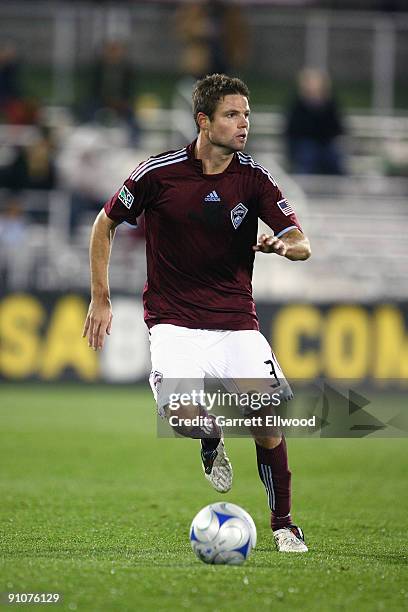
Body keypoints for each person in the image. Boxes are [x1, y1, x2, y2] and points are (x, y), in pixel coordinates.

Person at [83, 74, 311, 553]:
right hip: (174, 322)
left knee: (268, 422)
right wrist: (100, 297)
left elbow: (301, 241)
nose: (243, 123)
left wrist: (284, 247)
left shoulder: (254, 177)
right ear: (203, 121)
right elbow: (105, 224)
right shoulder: (157, 174)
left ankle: (284, 524)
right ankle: (211, 437)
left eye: (246, 114)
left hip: (235, 323)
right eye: (232, 114)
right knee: (182, 416)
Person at [285, 68, 345, 175]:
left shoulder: (330, 105)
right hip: (304, 145)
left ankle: (341, 187)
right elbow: (294, 130)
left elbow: (337, 128)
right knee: (307, 153)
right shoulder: (297, 105)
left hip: (325, 144)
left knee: (334, 157)